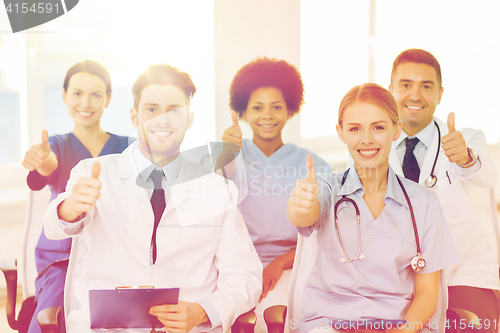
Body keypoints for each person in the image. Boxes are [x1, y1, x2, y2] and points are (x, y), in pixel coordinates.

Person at [43, 63, 262, 332]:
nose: (163, 119)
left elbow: (245, 275)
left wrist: (203, 311)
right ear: (135, 117)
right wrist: (69, 209)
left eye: (174, 110)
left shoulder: (217, 189)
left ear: (189, 120)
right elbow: (54, 228)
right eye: (151, 109)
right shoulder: (93, 173)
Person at [287, 83, 458, 333]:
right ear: (341, 132)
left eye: (378, 127)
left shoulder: (423, 203)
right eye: (355, 129)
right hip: (329, 324)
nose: (366, 139)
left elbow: (428, 291)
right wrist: (301, 204)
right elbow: (303, 215)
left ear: (396, 129)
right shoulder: (326, 190)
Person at [216, 57, 331, 332]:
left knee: (279, 319)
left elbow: (326, 235)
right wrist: (225, 157)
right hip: (235, 267)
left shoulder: (313, 164)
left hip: (294, 267)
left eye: (276, 107)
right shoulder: (228, 160)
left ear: (290, 110)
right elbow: (210, 214)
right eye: (257, 107)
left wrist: (280, 263)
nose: (267, 115)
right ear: (242, 112)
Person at [388, 49, 500, 332]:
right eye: (406, 85)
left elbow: (490, 175)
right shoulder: (375, 143)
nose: (415, 95)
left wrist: (465, 157)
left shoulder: (467, 139)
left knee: (474, 325)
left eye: (426, 86)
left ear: (439, 94)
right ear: (390, 90)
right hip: (397, 278)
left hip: (463, 272)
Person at [21, 60, 131, 333]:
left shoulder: (127, 147)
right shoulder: (58, 145)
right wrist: (41, 159)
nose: (86, 102)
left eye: (96, 94)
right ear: (64, 96)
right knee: (54, 317)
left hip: (113, 254)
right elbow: (49, 165)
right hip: (62, 259)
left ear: (108, 99)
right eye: (78, 93)